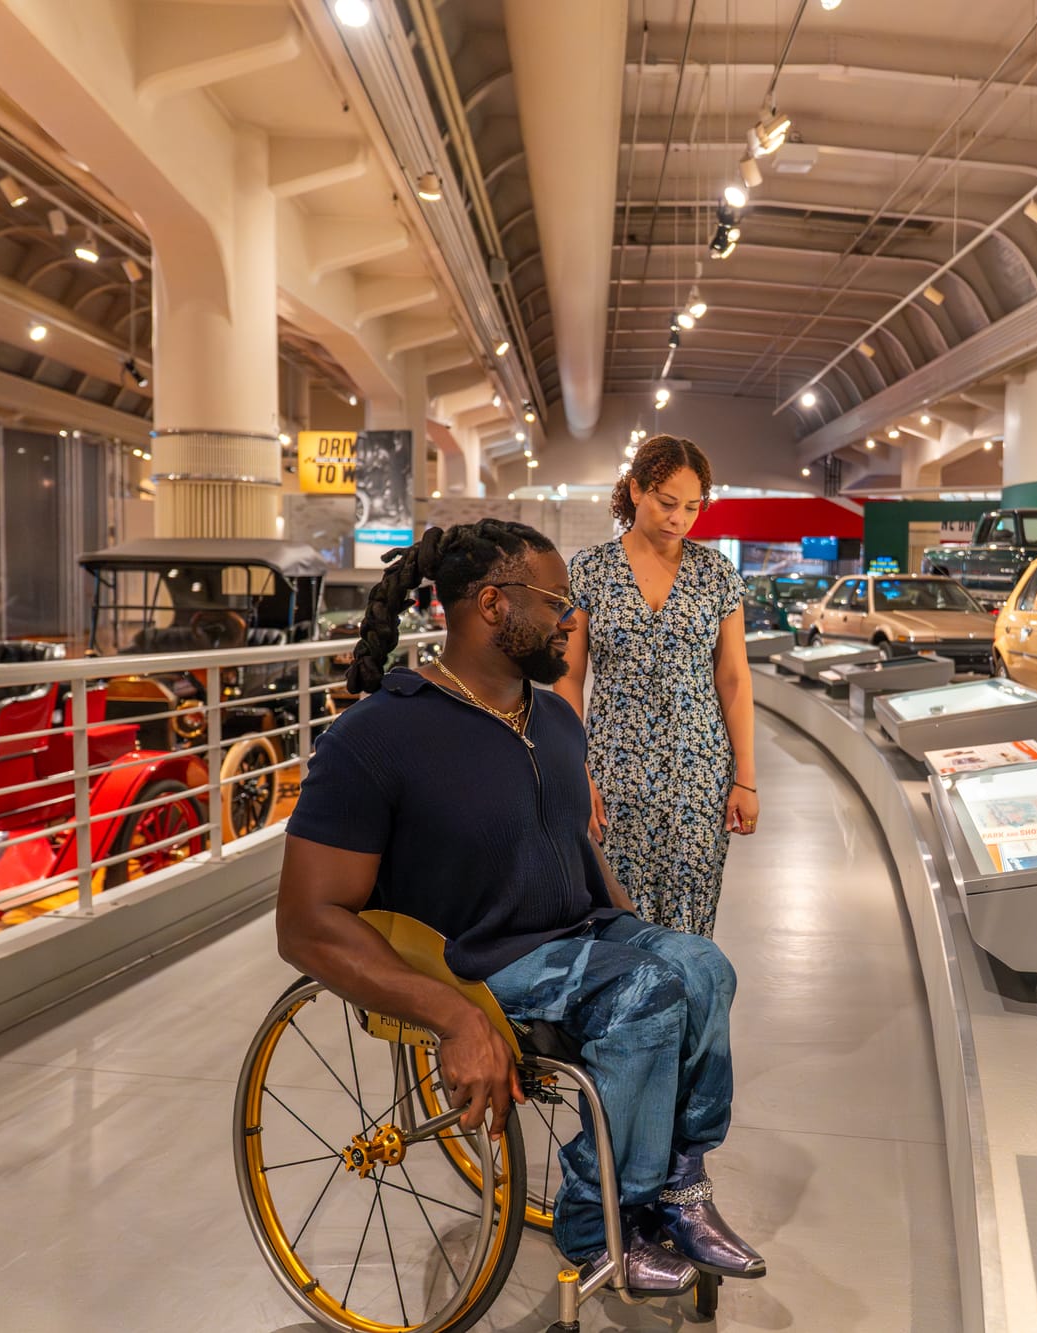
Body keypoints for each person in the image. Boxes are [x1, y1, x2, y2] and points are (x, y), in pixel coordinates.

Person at [273, 519, 764, 1295]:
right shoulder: (378, 737)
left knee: (701, 965)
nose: (574, 615)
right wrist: (455, 1015)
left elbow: (577, 843)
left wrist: (640, 931)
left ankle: (679, 1183)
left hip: (577, 935)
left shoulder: (556, 720)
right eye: (558, 600)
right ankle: (598, 1216)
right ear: (493, 605)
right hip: (479, 961)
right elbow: (305, 923)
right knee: (649, 992)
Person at [554, 436, 757, 939]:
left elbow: (733, 677)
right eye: (668, 503)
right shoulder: (590, 570)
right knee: (612, 911)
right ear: (637, 490)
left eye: (693, 507)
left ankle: (681, 1014)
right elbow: (569, 678)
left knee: (689, 918)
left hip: (698, 773)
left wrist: (746, 777)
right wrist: (576, 768)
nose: (680, 518)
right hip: (611, 767)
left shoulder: (717, 575)